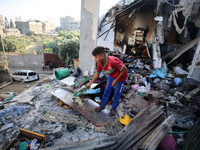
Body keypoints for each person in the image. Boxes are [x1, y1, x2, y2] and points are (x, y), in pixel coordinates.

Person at [87, 46, 128, 116]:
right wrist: (90, 83)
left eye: (96, 57)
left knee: (117, 94)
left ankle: (113, 109)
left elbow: (124, 69)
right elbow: (97, 75)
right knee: (107, 91)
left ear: (102, 56)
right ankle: (102, 106)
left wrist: (116, 80)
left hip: (120, 78)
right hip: (111, 76)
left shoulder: (113, 61)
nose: (94, 59)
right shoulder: (100, 63)